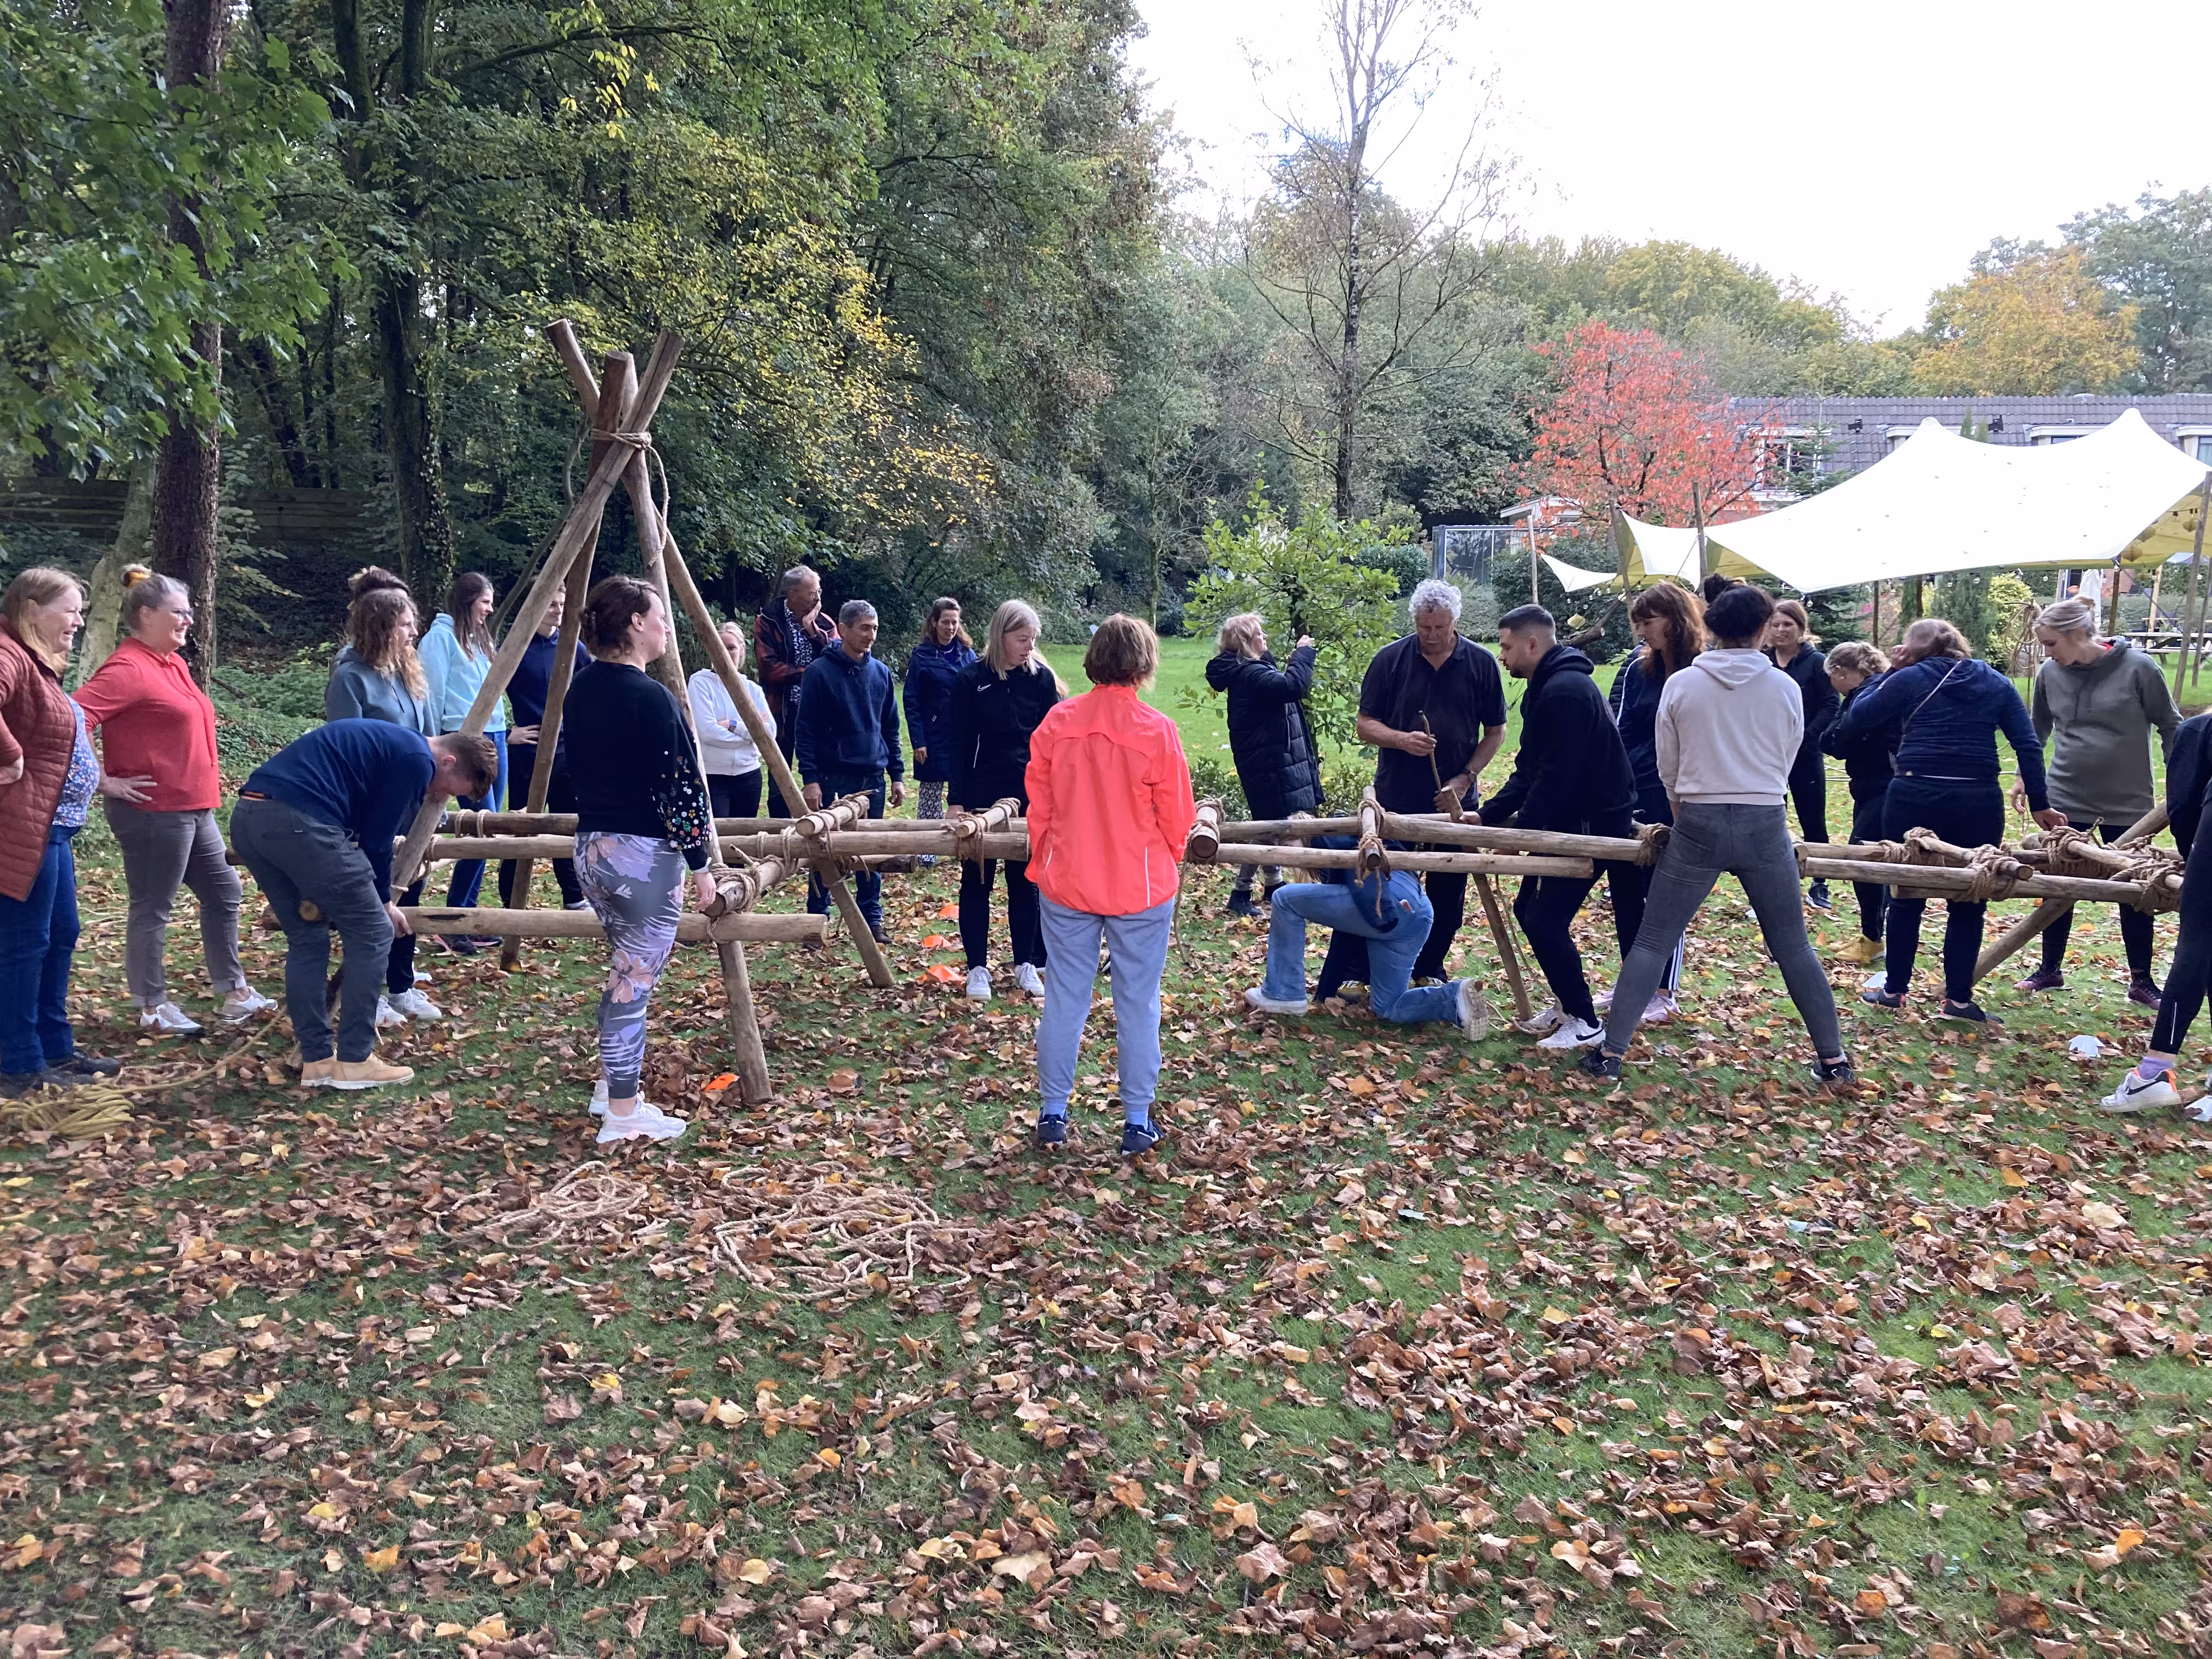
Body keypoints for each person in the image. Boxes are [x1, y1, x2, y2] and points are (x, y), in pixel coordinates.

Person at [1577, 584, 1856, 1092]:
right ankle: (1834, 1060)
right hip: (1764, 821)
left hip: (1699, 820)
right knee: (1793, 947)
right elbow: (1790, 752)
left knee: (1652, 939)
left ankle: (1610, 1054)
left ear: (1712, 627)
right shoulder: (1785, 688)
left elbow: (1668, 759)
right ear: (1762, 629)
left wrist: (1683, 805)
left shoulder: (1684, 684)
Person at [230, 720, 496, 1090]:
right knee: (374, 932)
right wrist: (384, 900)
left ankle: (318, 1061)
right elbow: (378, 839)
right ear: (448, 761)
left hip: (249, 817)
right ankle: (355, 1060)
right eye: (443, 789)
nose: (435, 795)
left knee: (307, 939)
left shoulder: (390, 742)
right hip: (301, 824)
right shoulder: (417, 759)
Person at [1829, 617, 2063, 1025]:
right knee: (1971, 897)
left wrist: (1892, 674)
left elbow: (1858, 718)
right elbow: (2027, 744)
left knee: (1905, 895)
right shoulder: (1995, 681)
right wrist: (2040, 804)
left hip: (1914, 795)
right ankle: (1957, 1000)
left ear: (1913, 650)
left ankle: (1895, 990)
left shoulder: (1909, 677)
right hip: (1977, 798)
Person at [72, 569, 272, 1036]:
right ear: (146, 615)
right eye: (179, 612)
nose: (189, 620)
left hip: (194, 807)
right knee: (153, 905)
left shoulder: (170, 663)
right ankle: (152, 1005)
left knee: (224, 892)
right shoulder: (128, 669)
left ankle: (234, 992)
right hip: (152, 811)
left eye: (190, 611)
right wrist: (104, 780)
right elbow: (73, 718)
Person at [1027, 614, 1194, 1154]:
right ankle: (1137, 1119)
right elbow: (1177, 817)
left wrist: (1045, 862)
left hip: (1069, 880)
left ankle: (1053, 1110)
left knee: (1065, 996)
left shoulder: (1058, 723)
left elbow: (1041, 809)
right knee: (1138, 1001)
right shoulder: (1155, 731)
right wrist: (1168, 861)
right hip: (1139, 886)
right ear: (1144, 663)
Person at [564, 577, 719, 1142]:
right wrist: (701, 865)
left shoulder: (581, 688)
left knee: (623, 973)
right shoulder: (649, 697)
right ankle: (624, 1113)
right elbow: (679, 789)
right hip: (641, 858)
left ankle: (611, 1086)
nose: (666, 627)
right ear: (634, 623)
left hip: (592, 849)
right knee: (634, 982)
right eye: (659, 616)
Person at [1481, 605, 1640, 1050]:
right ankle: (1570, 1005)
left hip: (1592, 822)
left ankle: (1586, 1022)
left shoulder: (1566, 691)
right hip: (1570, 817)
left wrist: (1524, 836)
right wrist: (1490, 815)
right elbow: (1528, 768)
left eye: (1508, 647)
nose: (1503, 656)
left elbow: (1557, 774)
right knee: (1529, 913)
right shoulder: (1544, 688)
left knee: (1545, 919)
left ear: (1534, 644)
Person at [0, 569, 128, 1096]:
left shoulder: (34, 662)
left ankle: (54, 1047)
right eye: (71, 610)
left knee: (60, 936)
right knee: (24, 944)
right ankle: (18, 1063)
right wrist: (9, 756)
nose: (78, 621)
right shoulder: (9, 652)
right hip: (22, 833)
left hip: (54, 831)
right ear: (32, 609)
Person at [2019, 596, 2179, 1006]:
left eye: (2052, 644)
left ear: (2077, 634)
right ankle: (2049, 969)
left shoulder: (2140, 668)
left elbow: (2171, 725)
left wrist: (2183, 777)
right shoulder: (2049, 674)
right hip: (2065, 799)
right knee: (2059, 884)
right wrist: (2025, 776)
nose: (2047, 653)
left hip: (2127, 804)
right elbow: (2036, 729)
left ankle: (2142, 981)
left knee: (2136, 889)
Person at [1354, 579, 1509, 983]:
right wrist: (1402, 740)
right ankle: (1380, 967)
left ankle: (1429, 966)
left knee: (1448, 888)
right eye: (1425, 628)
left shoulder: (1480, 663)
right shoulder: (1390, 660)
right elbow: (1365, 725)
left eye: (1440, 628)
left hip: (1454, 802)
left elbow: (1496, 731)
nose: (1433, 636)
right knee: (1388, 883)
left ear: (1455, 621)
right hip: (1397, 794)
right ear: (1416, 621)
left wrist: (1464, 778)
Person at [326, 584, 444, 1028]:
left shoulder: (409, 670)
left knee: (410, 887)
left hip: (414, 799)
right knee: (372, 892)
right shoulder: (351, 676)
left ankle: (401, 984)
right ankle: (367, 989)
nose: (414, 632)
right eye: (406, 624)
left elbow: (429, 732)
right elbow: (345, 744)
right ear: (382, 628)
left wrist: (435, 780)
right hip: (374, 804)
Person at [1244, 839, 1491, 1033]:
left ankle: (1283, 994)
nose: (1286, 850)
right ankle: (1454, 999)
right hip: (1417, 914)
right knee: (1387, 1006)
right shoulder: (1358, 842)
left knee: (1284, 898)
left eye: (1289, 841)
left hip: (1391, 903)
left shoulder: (1332, 841)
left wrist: (1325, 989)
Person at [949, 600, 1062, 1000]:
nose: (1029, 646)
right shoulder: (970, 681)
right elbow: (959, 745)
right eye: (1022, 638)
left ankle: (1026, 963)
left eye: (1033, 639)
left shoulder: (1042, 680)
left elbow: (1055, 741)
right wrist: (956, 800)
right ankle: (977, 968)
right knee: (977, 881)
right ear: (1001, 636)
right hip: (982, 795)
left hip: (1031, 794)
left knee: (1025, 882)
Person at [2102, 709, 2212, 1113]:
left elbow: (2183, 806)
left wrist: (2194, 855)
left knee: (2197, 943)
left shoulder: (2198, 729)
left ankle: (2153, 1072)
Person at [1606, 583, 1703, 1014]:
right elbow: (1622, 730)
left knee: (1663, 894)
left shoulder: (1703, 670)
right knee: (1626, 888)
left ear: (1675, 620)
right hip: (1636, 790)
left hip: (1681, 794)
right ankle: (1634, 980)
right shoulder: (1635, 669)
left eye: (1649, 622)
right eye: (1639, 624)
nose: (1643, 632)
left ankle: (1663, 991)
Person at [794, 599, 905, 943]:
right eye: (864, 628)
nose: (871, 635)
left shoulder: (882, 673)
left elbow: (891, 727)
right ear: (843, 630)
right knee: (824, 849)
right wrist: (810, 779)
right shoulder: (819, 673)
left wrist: (897, 774)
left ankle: (872, 920)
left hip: (872, 774)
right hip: (832, 776)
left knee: (869, 850)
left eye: (874, 628)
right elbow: (805, 730)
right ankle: (818, 920)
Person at [1205, 613, 1320, 917]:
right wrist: (1303, 656)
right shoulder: (1250, 674)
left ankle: (1272, 884)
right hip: (1267, 762)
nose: (1265, 637)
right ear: (1246, 641)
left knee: (1269, 822)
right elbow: (1293, 686)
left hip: (1267, 759)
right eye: (1259, 633)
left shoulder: (1252, 669)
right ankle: (1241, 891)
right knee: (1270, 824)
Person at [417, 571, 509, 936]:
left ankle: (464, 914)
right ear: (467, 600)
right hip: (463, 737)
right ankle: (455, 921)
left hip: (496, 735)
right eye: (484, 602)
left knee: (491, 828)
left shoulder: (479, 639)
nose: (489, 609)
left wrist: (507, 731)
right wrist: (433, 746)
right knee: (480, 828)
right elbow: (432, 694)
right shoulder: (440, 638)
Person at [499, 582, 588, 911]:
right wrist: (509, 732)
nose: (558, 610)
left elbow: (590, 693)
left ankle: (574, 896)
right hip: (528, 752)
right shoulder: (515, 648)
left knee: (567, 824)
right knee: (522, 826)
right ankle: (511, 900)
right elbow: (486, 695)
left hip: (567, 752)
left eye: (562, 603)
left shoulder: (573, 648)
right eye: (551, 604)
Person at [1819, 641, 1899, 967]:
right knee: (1878, 861)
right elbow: (1831, 740)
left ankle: (1874, 939)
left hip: (1885, 787)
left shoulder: (1867, 697)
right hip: (1873, 787)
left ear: (1840, 672)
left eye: (1832, 679)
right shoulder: (1871, 693)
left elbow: (1835, 742)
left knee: (1864, 861)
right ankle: (1875, 935)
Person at [1763, 600, 1839, 911]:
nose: (1781, 631)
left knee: (1812, 818)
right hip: (1768, 755)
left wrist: (1807, 737)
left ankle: (1820, 883)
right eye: (1776, 625)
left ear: (1801, 628)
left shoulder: (1815, 662)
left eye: (1787, 625)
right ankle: (1772, 884)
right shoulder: (1762, 661)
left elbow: (1831, 705)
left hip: (1804, 754)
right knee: (1770, 819)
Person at [754, 566, 838, 816]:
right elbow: (769, 668)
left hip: (820, 713)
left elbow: (836, 658)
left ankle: (824, 829)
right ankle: (781, 834)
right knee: (780, 776)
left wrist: (812, 630)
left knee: (823, 774)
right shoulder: (768, 621)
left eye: (819, 591)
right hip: (783, 711)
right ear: (792, 595)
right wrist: (810, 673)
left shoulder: (824, 622)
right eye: (813, 592)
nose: (818, 598)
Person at [904, 599, 975, 849]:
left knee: (966, 790)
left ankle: (965, 842)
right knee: (931, 795)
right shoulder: (921, 656)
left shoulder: (968, 654)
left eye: (955, 622)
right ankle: (927, 849)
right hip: (933, 736)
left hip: (964, 734)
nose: (951, 627)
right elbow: (911, 700)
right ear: (934, 623)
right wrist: (918, 741)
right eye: (946, 622)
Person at [687, 620, 771, 819]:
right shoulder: (700, 683)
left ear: (742, 649)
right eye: (720, 647)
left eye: (731, 647)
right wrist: (752, 735)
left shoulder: (753, 690)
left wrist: (733, 725)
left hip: (749, 775)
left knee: (745, 837)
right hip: (714, 776)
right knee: (719, 836)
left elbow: (769, 734)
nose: (725, 653)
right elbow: (707, 732)